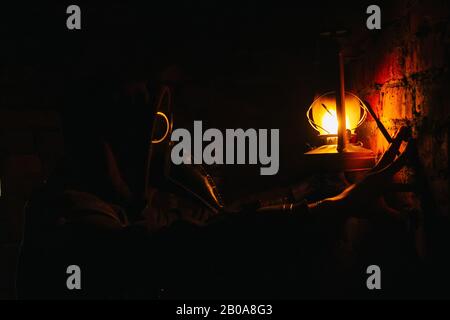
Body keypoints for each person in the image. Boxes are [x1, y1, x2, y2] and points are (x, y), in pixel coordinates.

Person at [16, 73, 411, 299]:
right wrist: (331, 209)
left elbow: (214, 218)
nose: (161, 149)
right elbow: (191, 246)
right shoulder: (70, 218)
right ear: (110, 140)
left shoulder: (122, 198)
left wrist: (311, 190)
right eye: (146, 134)